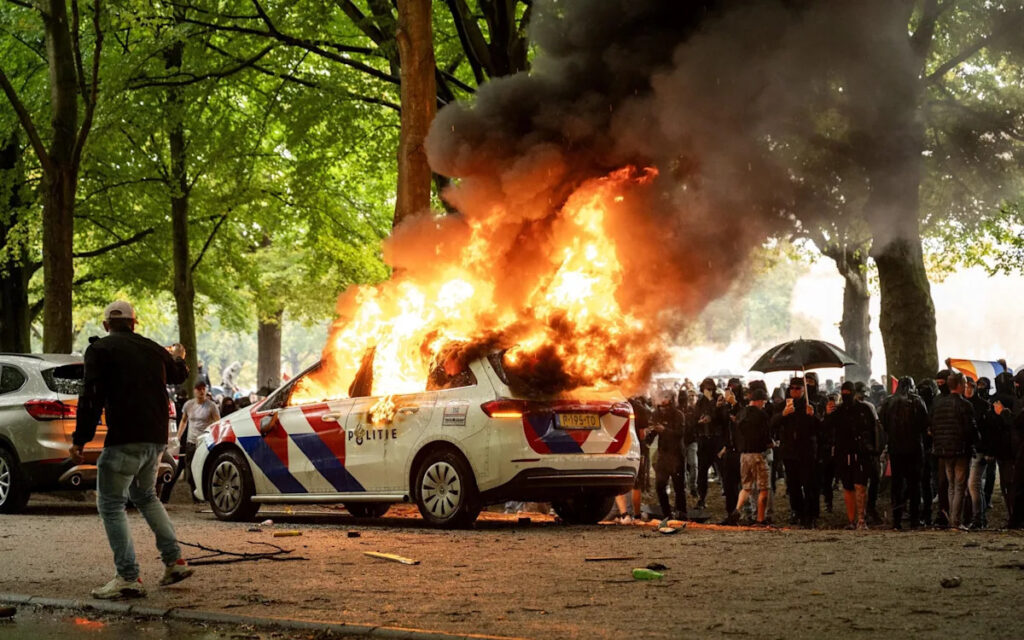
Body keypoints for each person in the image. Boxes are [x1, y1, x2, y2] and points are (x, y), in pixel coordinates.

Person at [69, 301, 194, 599]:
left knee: (111, 504)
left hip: (124, 438)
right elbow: (179, 373)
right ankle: (174, 561)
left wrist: (80, 439)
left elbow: (91, 397)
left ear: (105, 325)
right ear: (134, 324)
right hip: (155, 440)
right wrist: (178, 356)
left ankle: (127, 576)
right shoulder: (152, 349)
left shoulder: (100, 350)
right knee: (146, 496)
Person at [929, 372, 978, 530]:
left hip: (943, 450)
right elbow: (970, 429)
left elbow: (933, 427)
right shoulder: (964, 405)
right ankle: (956, 521)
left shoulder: (938, 404)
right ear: (959, 385)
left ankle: (952, 518)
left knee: (951, 485)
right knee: (959, 486)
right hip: (960, 450)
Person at [880, 377, 929, 529]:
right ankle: (914, 519)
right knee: (915, 485)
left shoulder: (889, 402)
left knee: (897, 484)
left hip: (896, 448)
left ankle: (897, 519)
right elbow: (924, 423)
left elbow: (883, 423)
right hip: (914, 447)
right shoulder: (917, 401)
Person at [722, 388, 773, 526]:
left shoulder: (741, 413)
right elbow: (765, 436)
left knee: (746, 487)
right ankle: (760, 519)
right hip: (757, 455)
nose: (764, 404)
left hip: (743, 455)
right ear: (759, 401)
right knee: (763, 487)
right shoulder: (761, 415)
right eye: (763, 401)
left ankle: (736, 511)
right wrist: (770, 443)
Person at [773, 377, 819, 528]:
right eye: (792, 388)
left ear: (804, 389)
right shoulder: (782, 406)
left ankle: (810, 514)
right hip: (789, 451)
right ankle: (796, 511)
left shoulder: (810, 406)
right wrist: (783, 414)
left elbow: (820, 429)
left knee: (809, 483)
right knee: (793, 485)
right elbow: (772, 424)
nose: (794, 391)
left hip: (806, 451)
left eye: (798, 388)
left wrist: (813, 416)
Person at [163, 381, 220, 501]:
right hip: (191, 443)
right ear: (194, 391)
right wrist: (178, 437)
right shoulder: (189, 405)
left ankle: (203, 498)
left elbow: (217, 422)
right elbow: (184, 421)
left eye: (203, 389)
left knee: (203, 470)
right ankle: (197, 498)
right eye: (199, 389)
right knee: (190, 472)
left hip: (205, 442)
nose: (201, 391)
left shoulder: (211, 406)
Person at [830, 382, 873, 529]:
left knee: (860, 485)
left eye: (848, 392)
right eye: (844, 392)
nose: (845, 394)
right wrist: (828, 414)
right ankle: (851, 520)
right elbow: (828, 429)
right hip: (843, 453)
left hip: (860, 453)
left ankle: (861, 518)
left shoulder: (864, 409)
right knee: (848, 486)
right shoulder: (839, 411)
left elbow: (873, 430)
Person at [646, 391, 688, 522]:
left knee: (679, 487)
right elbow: (651, 435)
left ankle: (681, 513)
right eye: (661, 406)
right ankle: (666, 513)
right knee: (659, 485)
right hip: (663, 455)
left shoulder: (678, 415)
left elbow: (680, 434)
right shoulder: (656, 414)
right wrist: (648, 436)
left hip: (676, 455)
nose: (663, 409)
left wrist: (665, 430)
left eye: (666, 406)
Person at [692, 378, 727, 513]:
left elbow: (723, 419)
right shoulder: (700, 403)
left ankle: (729, 498)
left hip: (717, 440)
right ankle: (702, 498)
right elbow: (694, 421)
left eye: (711, 389)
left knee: (724, 471)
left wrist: (714, 407)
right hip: (704, 441)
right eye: (707, 389)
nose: (710, 391)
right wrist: (700, 422)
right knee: (702, 472)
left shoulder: (719, 400)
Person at [964, 377, 995, 529]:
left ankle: (978, 517)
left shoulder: (982, 406)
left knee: (973, 484)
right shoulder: (963, 404)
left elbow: (989, 431)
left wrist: (989, 450)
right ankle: (977, 517)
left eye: (971, 387)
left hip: (979, 450)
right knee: (972, 485)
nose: (968, 390)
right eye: (966, 387)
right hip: (968, 450)